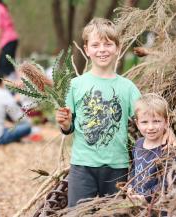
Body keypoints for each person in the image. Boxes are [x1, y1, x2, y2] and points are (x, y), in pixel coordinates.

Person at [55, 18, 142, 207]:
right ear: (87, 50)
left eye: (108, 44)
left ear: (118, 48)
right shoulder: (75, 85)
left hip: (117, 166)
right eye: (95, 45)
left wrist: (165, 133)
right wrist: (64, 124)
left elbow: (144, 118)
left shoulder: (128, 88)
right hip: (82, 166)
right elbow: (69, 127)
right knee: (78, 211)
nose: (102, 49)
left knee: (114, 212)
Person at [127, 93, 176, 206]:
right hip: (140, 205)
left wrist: (147, 198)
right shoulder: (138, 144)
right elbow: (134, 169)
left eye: (156, 121)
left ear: (166, 121)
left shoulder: (168, 150)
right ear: (137, 123)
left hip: (162, 207)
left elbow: (170, 181)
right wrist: (131, 186)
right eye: (144, 122)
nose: (150, 127)